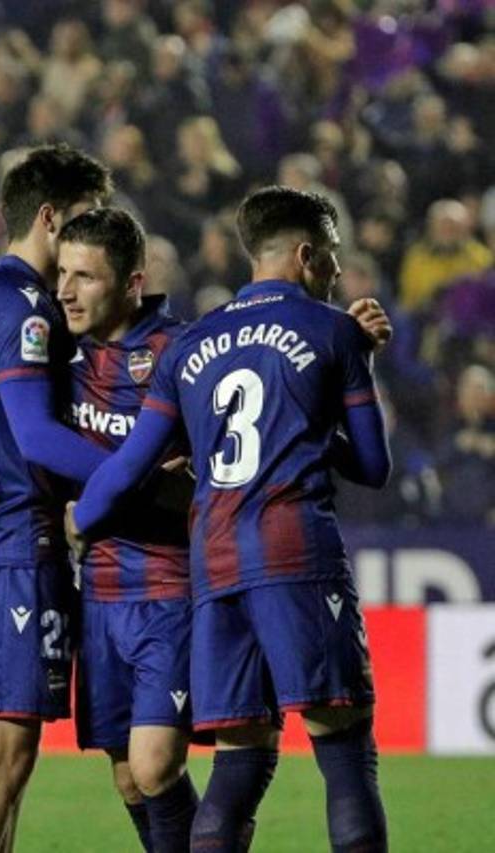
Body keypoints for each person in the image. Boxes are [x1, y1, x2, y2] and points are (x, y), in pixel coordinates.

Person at [68, 187, 393, 852]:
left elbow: (129, 465)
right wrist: (332, 383)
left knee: (238, 766)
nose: (334, 271)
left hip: (212, 569)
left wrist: (86, 514)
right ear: (307, 254)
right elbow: (372, 463)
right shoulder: (335, 330)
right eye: (330, 257)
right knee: (345, 749)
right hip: (294, 549)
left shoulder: (189, 346)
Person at [0, 144, 115, 853]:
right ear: (49, 217)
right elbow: (38, 437)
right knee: (0, 760)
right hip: (10, 543)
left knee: (11, 758)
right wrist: (132, 469)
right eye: (83, 218)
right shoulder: (20, 310)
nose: (91, 233)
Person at [55, 208, 200, 853]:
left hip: (167, 586)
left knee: (155, 764)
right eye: (62, 273)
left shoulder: (180, 353)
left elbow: (217, 467)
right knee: (128, 779)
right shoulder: (63, 356)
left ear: (132, 282)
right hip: (99, 594)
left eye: (85, 277)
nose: (66, 291)